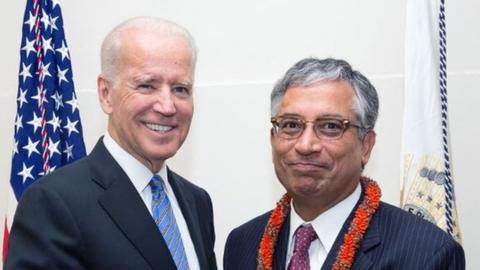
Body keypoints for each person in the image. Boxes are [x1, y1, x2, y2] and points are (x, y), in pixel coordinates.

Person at [5, 17, 217, 270]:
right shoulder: (53, 204)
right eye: (147, 85)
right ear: (106, 94)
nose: (168, 106)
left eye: (181, 89)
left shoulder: (197, 202)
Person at [223, 58, 465, 270]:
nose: (306, 145)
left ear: (366, 145)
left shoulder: (426, 253)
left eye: (330, 126)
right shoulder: (243, 245)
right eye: (291, 125)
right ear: (273, 139)